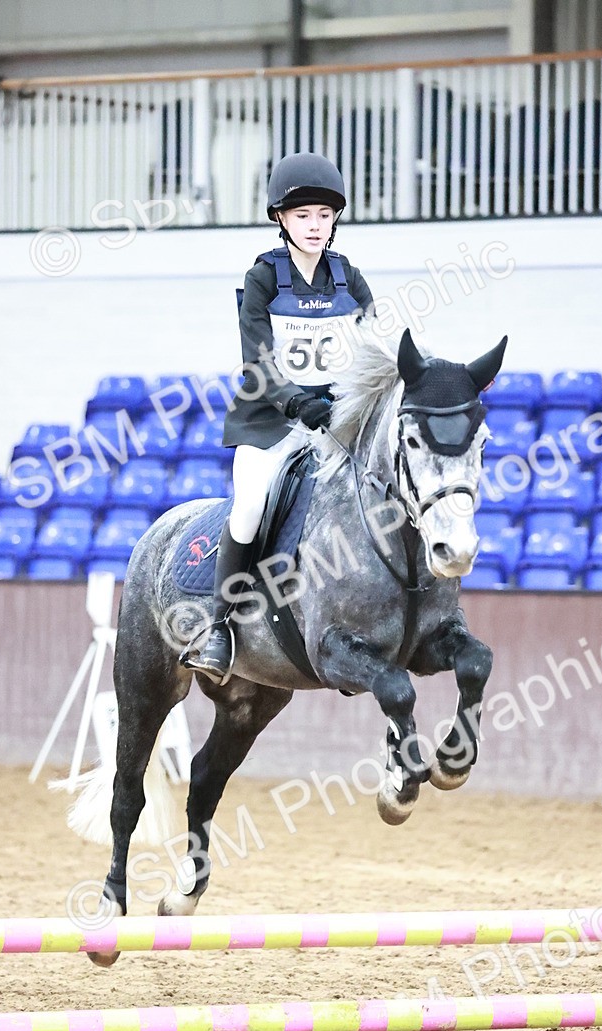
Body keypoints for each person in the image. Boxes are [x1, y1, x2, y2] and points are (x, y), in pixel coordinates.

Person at [192, 152, 374, 682]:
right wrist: (297, 402)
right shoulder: (264, 278)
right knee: (249, 505)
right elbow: (258, 360)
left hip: (337, 420)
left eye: (323, 215)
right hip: (271, 419)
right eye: (302, 216)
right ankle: (219, 625)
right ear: (281, 219)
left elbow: (374, 347)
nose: (315, 226)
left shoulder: (349, 277)